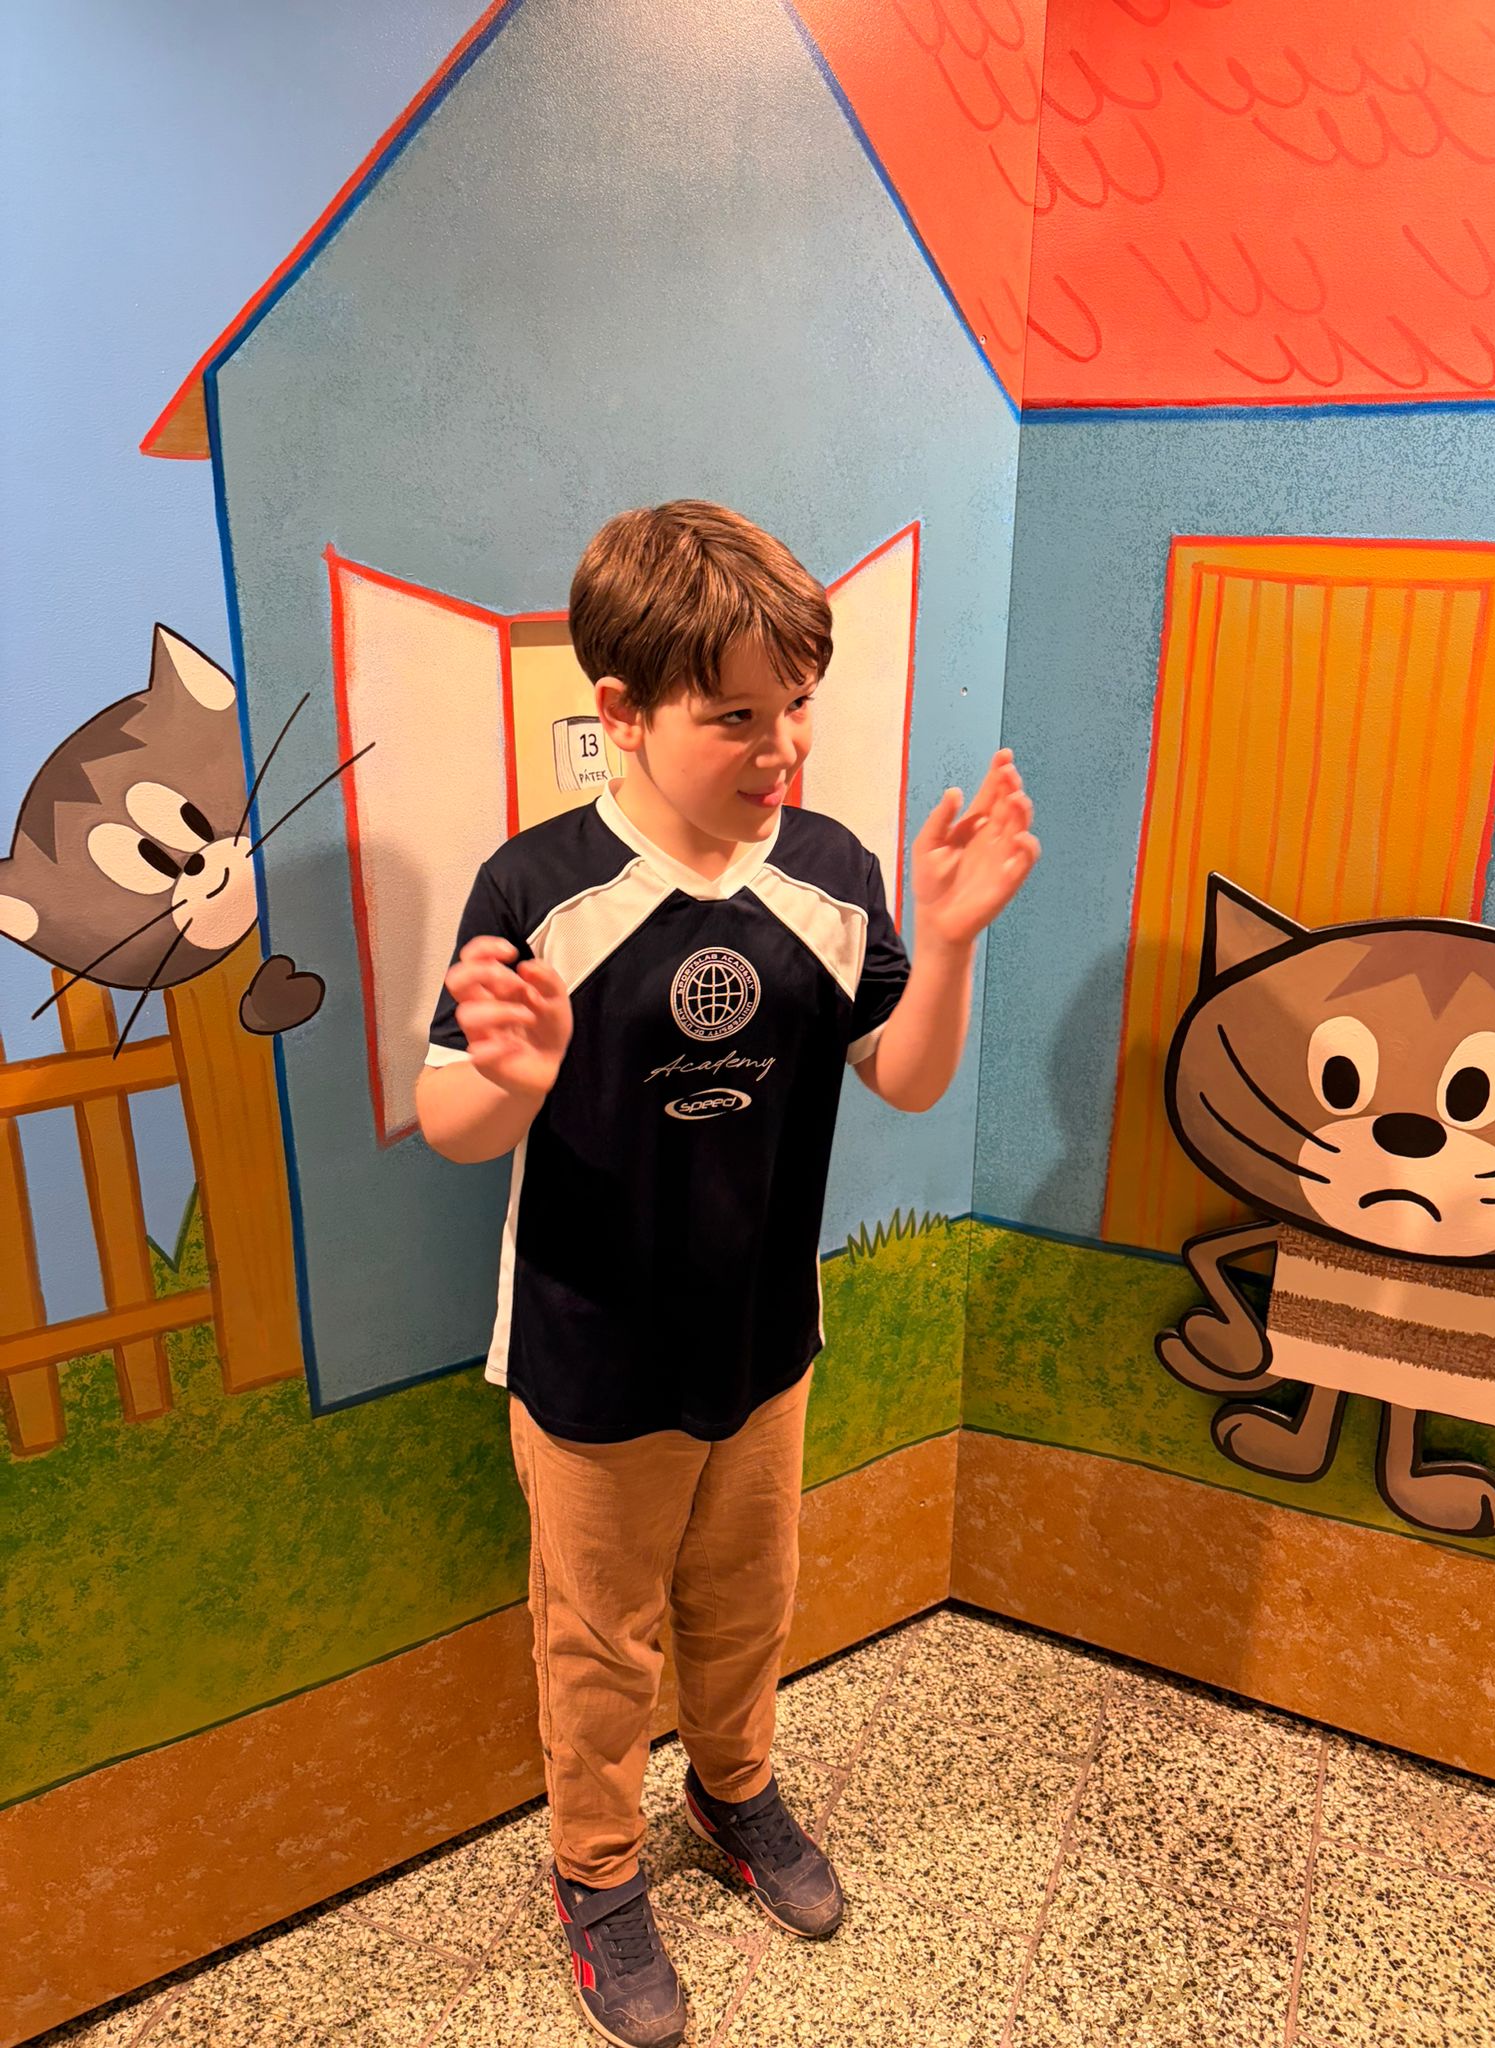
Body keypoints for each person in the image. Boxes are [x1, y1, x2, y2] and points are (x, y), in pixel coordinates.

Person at [416, 501, 1038, 2047]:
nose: (784, 748)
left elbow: (903, 1076)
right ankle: (596, 1871)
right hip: (589, 1364)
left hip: (763, 1345)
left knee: (748, 1607)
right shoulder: (539, 886)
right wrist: (514, 1077)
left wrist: (950, 943)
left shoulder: (826, 873)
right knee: (599, 1642)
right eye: (739, 718)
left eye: (798, 705)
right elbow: (448, 1119)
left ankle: (734, 1789)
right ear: (621, 711)